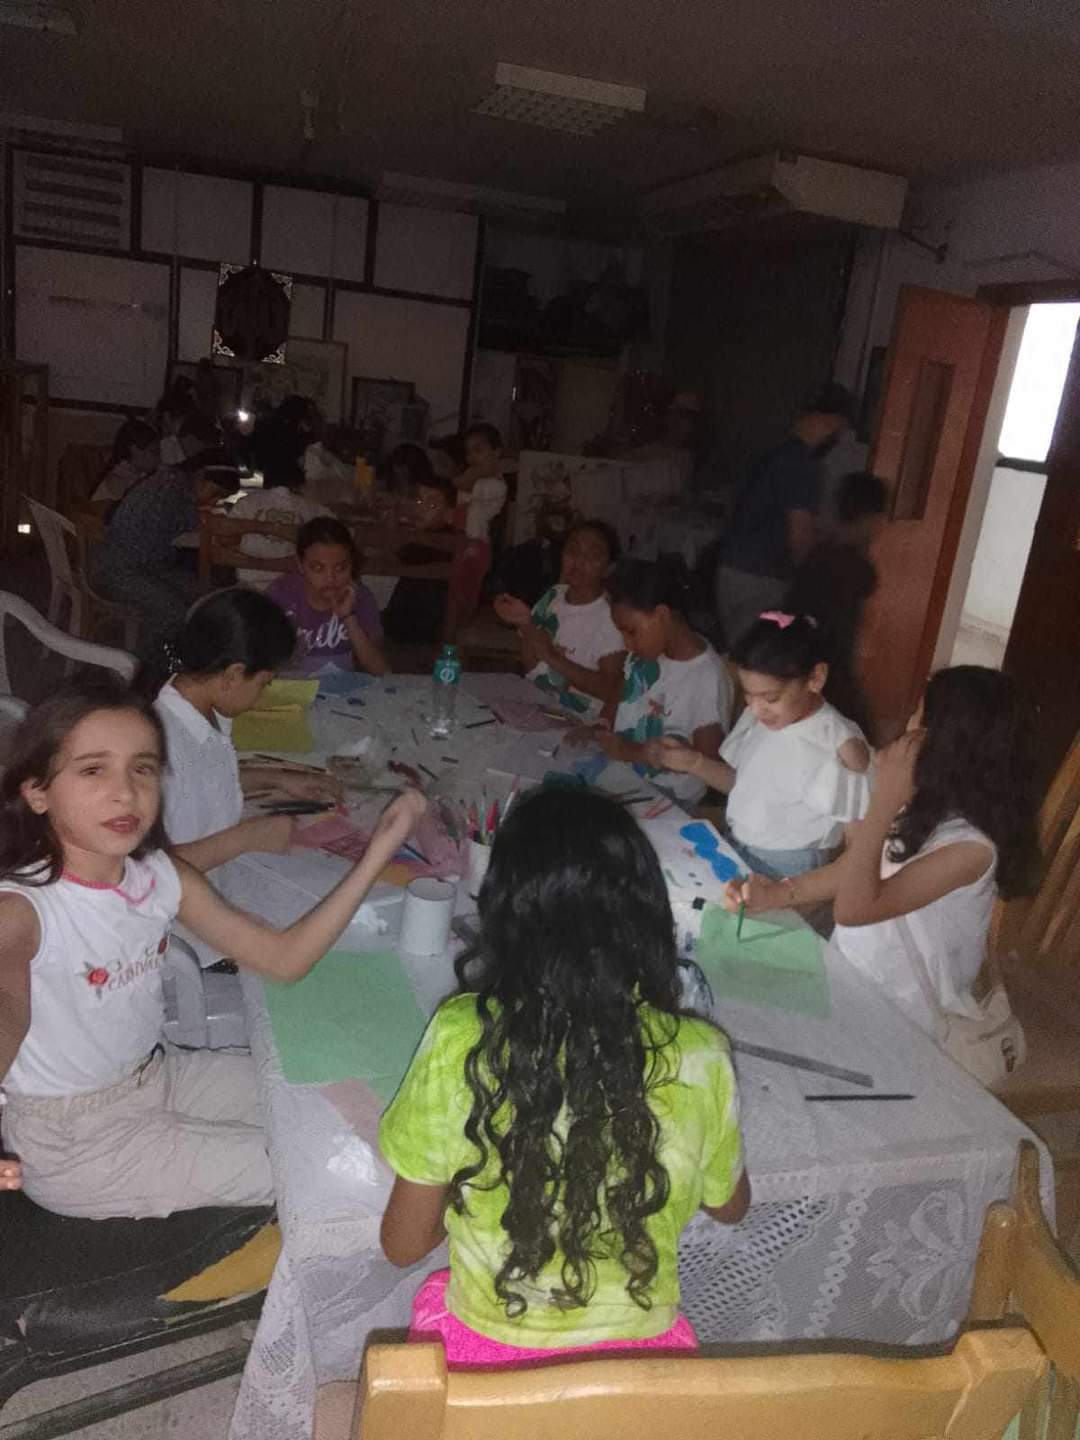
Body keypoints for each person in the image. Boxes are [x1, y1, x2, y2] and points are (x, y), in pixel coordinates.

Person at [0, 680, 425, 1218]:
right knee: (323, 1166)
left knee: (338, 1097)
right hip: (71, 1142)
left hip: (156, 1078)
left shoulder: (157, 874)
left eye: (142, 768)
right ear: (37, 792)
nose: (125, 792)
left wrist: (378, 850)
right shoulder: (24, 909)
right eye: (92, 770)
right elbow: (6, 1014)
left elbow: (284, 960)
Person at [378, 786, 749, 1367]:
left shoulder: (462, 1038)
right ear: (649, 916)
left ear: (504, 916)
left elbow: (402, 1245)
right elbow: (729, 1206)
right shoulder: (702, 1053)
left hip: (483, 1372)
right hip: (642, 1382)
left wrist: (478, 1182)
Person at [727, 666, 1040, 1039]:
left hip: (902, 1014)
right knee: (728, 978)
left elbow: (853, 910)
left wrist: (883, 803)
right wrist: (780, 894)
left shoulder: (971, 848)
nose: (906, 728)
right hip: (855, 973)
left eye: (917, 719)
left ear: (942, 744)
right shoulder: (929, 807)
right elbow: (854, 869)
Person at [146, 588, 342, 969]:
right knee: (317, 938)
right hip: (180, 930)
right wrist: (247, 838)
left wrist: (279, 779)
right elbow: (150, 871)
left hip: (214, 888)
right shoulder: (160, 744)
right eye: (264, 683)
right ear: (233, 675)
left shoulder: (202, 710)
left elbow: (207, 779)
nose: (262, 694)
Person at [653, 613, 871, 878]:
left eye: (771, 698)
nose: (756, 709)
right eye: (748, 695)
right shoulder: (764, 719)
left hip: (787, 866)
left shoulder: (838, 742)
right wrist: (693, 763)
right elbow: (745, 787)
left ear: (815, 678)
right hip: (738, 844)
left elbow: (859, 833)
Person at [716, 383, 854, 647]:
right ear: (832, 422)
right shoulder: (802, 464)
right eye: (840, 429)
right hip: (760, 578)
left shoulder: (778, 453)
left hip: (735, 571)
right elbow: (799, 534)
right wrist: (811, 582)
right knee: (757, 657)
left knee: (743, 650)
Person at [598, 560, 733, 804]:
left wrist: (631, 752)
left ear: (661, 615)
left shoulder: (705, 677)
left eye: (631, 631)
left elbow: (707, 764)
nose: (626, 643)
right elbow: (621, 695)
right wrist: (600, 727)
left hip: (667, 797)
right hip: (621, 774)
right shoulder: (645, 653)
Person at [91, 446, 238, 662]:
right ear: (199, 476)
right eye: (215, 494)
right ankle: (141, 666)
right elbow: (203, 529)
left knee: (205, 595)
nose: (214, 501)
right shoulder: (172, 491)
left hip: (140, 566)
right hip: (118, 571)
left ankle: (183, 658)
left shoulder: (172, 482)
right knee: (173, 612)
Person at [784, 471, 888, 740]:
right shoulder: (855, 567)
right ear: (870, 518)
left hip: (800, 659)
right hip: (829, 666)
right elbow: (848, 630)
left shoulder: (819, 553)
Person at [494, 520, 624, 717]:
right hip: (538, 704)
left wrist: (552, 657)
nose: (578, 561)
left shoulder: (612, 618)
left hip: (581, 719)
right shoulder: (554, 595)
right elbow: (532, 668)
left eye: (593, 555)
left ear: (609, 568)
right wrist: (525, 623)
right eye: (572, 551)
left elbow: (611, 691)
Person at [266, 517, 388, 676]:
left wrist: (348, 617)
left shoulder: (360, 597)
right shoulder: (280, 594)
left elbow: (380, 670)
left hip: (343, 684)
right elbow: (262, 660)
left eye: (341, 568)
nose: (330, 578)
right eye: (318, 568)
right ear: (300, 564)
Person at [230, 456, 331, 590]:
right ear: (300, 481)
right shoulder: (314, 510)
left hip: (247, 587)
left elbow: (227, 540)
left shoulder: (245, 504)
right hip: (296, 589)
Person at [381, 475, 460, 645]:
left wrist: (391, 531)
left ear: (449, 515)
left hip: (415, 625)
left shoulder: (434, 542)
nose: (420, 509)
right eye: (418, 502)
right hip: (420, 623)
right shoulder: (430, 538)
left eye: (431, 505)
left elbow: (390, 562)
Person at [447, 423, 509, 626]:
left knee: (467, 587)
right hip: (462, 537)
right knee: (456, 587)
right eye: (468, 452)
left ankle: (462, 622)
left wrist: (468, 476)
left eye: (478, 450)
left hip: (478, 543)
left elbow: (462, 484)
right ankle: (454, 628)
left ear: (496, 452)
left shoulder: (493, 482)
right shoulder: (477, 478)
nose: (472, 457)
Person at [91, 419, 161, 509]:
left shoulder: (137, 474)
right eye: (154, 452)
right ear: (135, 450)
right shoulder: (119, 479)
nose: (159, 458)